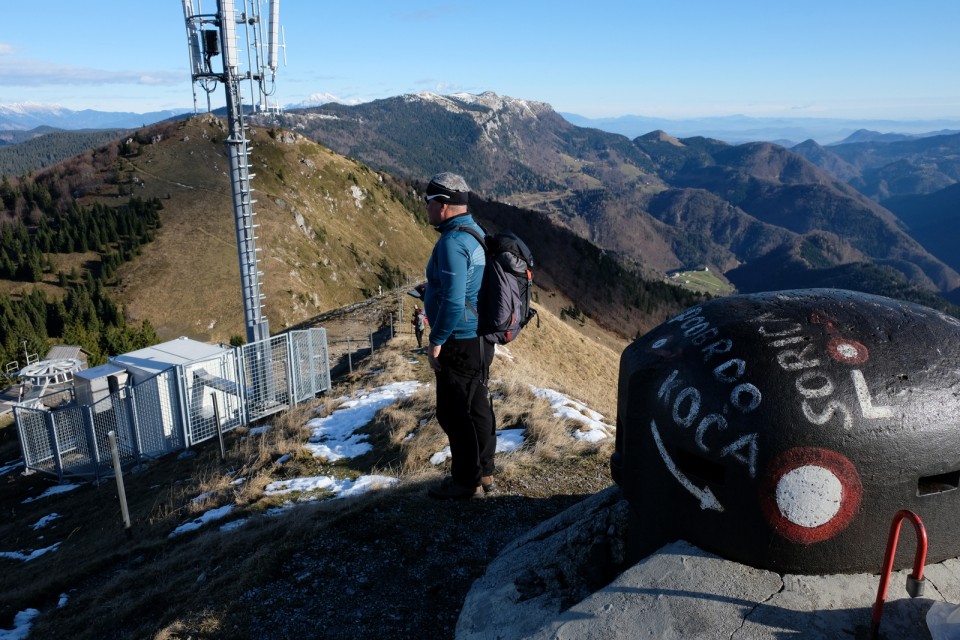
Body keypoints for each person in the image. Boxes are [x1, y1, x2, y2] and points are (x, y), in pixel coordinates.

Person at [422, 172, 496, 500]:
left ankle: (466, 483)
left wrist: (436, 341)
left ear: (444, 204)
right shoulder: (474, 231)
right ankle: (486, 472)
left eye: (428, 201)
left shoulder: (453, 242)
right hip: (479, 340)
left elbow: (452, 302)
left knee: (453, 412)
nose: (425, 208)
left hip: (459, 340)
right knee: (477, 405)